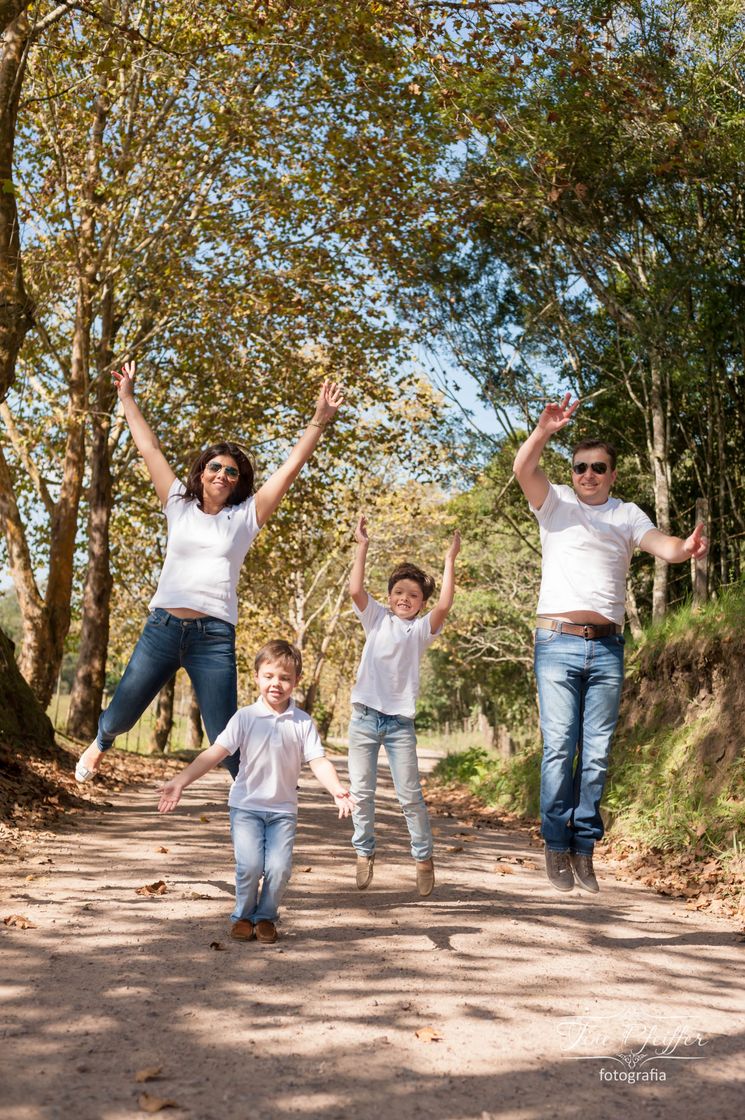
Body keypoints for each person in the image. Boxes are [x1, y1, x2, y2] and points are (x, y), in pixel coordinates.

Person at [75, 360, 343, 783]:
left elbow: (290, 468)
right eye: (215, 467)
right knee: (122, 713)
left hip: (213, 637)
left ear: (238, 482)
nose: (222, 474)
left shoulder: (246, 517)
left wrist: (319, 420)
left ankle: (249, 795)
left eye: (231, 471)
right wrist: (126, 397)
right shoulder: (177, 504)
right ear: (202, 472)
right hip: (162, 629)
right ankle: (100, 743)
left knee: (224, 734)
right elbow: (150, 450)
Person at [513, 394, 708, 894]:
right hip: (556, 643)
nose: (589, 475)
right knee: (560, 747)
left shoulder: (626, 514)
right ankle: (556, 844)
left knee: (596, 754)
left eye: (598, 467)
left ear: (612, 474)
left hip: (606, 648)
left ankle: (584, 848)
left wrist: (684, 548)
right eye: (581, 467)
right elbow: (523, 469)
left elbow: (662, 544)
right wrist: (543, 431)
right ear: (572, 472)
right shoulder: (555, 503)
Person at [157, 640, 354, 943]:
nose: (276, 683)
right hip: (246, 807)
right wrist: (181, 780)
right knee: (249, 866)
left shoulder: (302, 722)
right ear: (257, 677)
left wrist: (336, 788)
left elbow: (318, 761)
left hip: (283, 810)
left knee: (279, 868)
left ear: (296, 681)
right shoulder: (245, 717)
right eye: (269, 676)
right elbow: (215, 752)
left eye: (285, 678)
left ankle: (265, 918)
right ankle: (243, 916)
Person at [347, 515, 460, 897]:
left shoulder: (421, 630)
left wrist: (449, 561)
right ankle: (364, 852)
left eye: (413, 595)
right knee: (362, 793)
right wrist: (362, 546)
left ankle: (423, 858)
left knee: (409, 795)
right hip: (364, 718)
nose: (404, 599)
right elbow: (355, 589)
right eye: (398, 592)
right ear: (389, 595)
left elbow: (445, 604)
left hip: (399, 724)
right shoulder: (376, 617)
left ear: (421, 603)